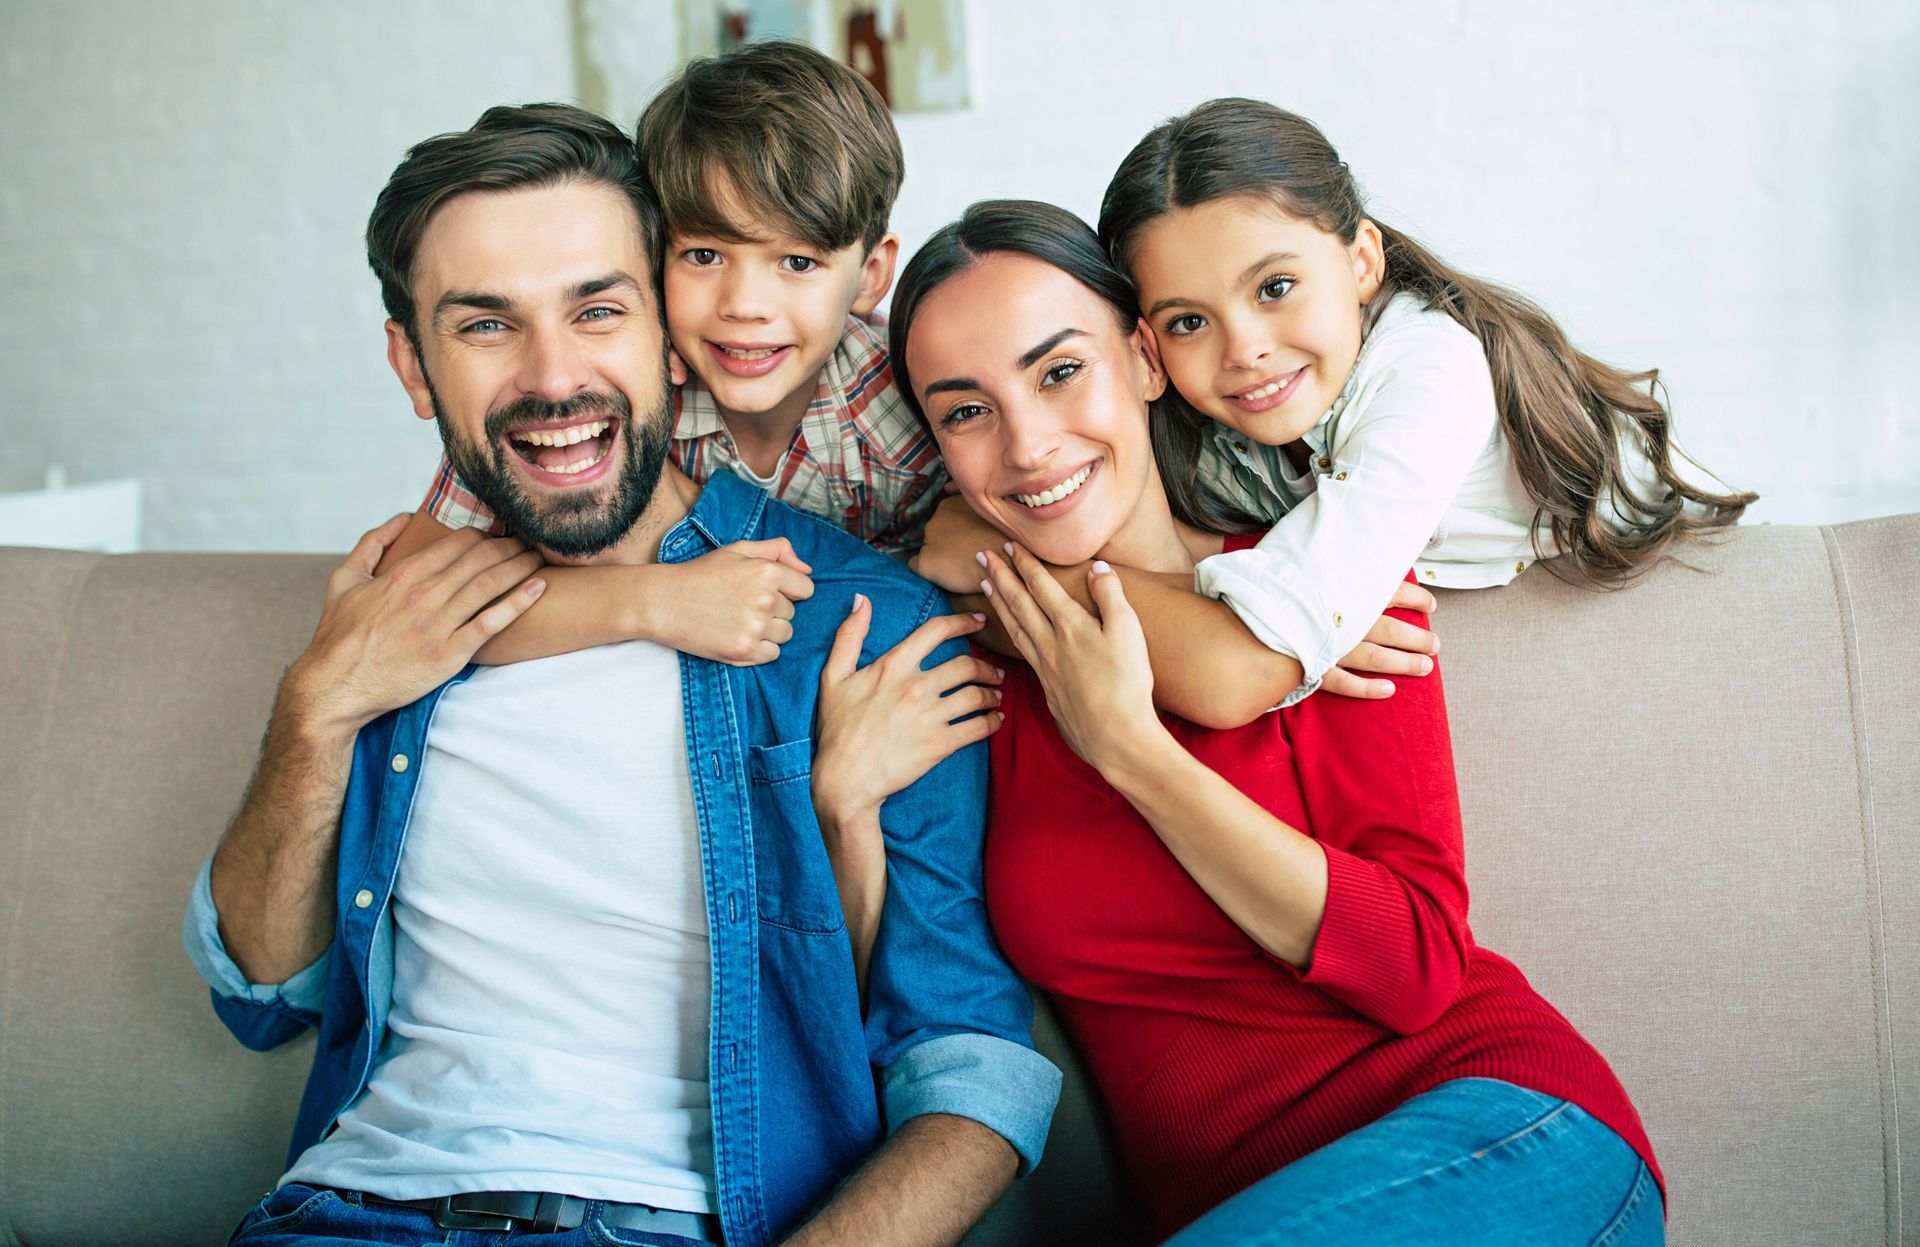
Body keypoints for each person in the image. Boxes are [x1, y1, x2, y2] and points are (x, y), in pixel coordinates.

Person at [181, 105, 1057, 1247]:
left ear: (662, 329)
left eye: (596, 310)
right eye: (486, 324)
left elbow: (973, 1070)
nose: (555, 378)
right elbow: (259, 996)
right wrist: (314, 708)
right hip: (346, 1216)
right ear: (412, 363)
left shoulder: (866, 624)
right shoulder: (403, 616)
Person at [857, 199, 1666, 1244]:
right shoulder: (974, 658)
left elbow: (1416, 962)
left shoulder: (1318, 595)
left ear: (1146, 359)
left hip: (1503, 1133)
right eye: (966, 411)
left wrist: (1137, 753)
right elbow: (903, 994)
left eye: (1061, 372)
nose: (1028, 443)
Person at [913, 97, 1752, 717]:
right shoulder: (1236, 415)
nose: (1243, 349)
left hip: (1678, 597)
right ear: (1148, 347)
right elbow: (1205, 572)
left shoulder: (1430, 380)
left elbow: (1239, 668)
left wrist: (1008, 566)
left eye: (1275, 287)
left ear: (1361, 262)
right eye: (1189, 321)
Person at [384, 39, 943, 675]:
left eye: (798, 261)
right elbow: (418, 601)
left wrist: (969, 544)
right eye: (704, 256)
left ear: (871, 276)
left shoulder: (905, 395)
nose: (745, 305)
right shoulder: (601, 393)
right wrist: (650, 600)